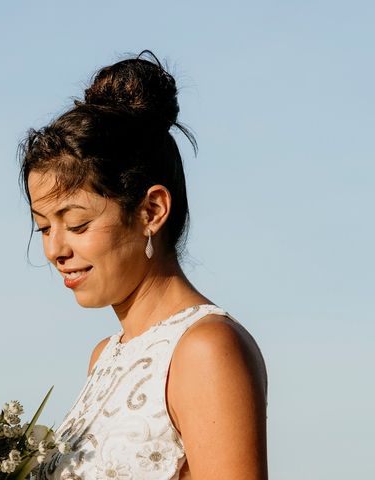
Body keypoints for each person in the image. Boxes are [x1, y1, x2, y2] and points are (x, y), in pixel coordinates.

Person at [19, 50, 268, 480]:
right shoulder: (105, 356)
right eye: (44, 228)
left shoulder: (206, 349)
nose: (54, 250)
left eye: (77, 224)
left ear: (151, 210)